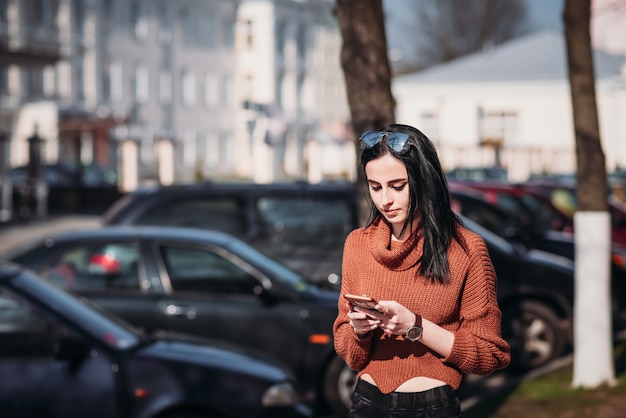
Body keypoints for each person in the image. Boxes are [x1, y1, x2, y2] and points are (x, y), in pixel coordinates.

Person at [333, 124, 511, 417]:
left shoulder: (466, 249)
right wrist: (359, 331)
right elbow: (351, 355)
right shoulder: (357, 244)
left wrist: (414, 327)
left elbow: (490, 355)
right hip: (367, 402)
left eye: (397, 186)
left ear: (423, 180)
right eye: (375, 187)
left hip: (431, 406)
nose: (385, 200)